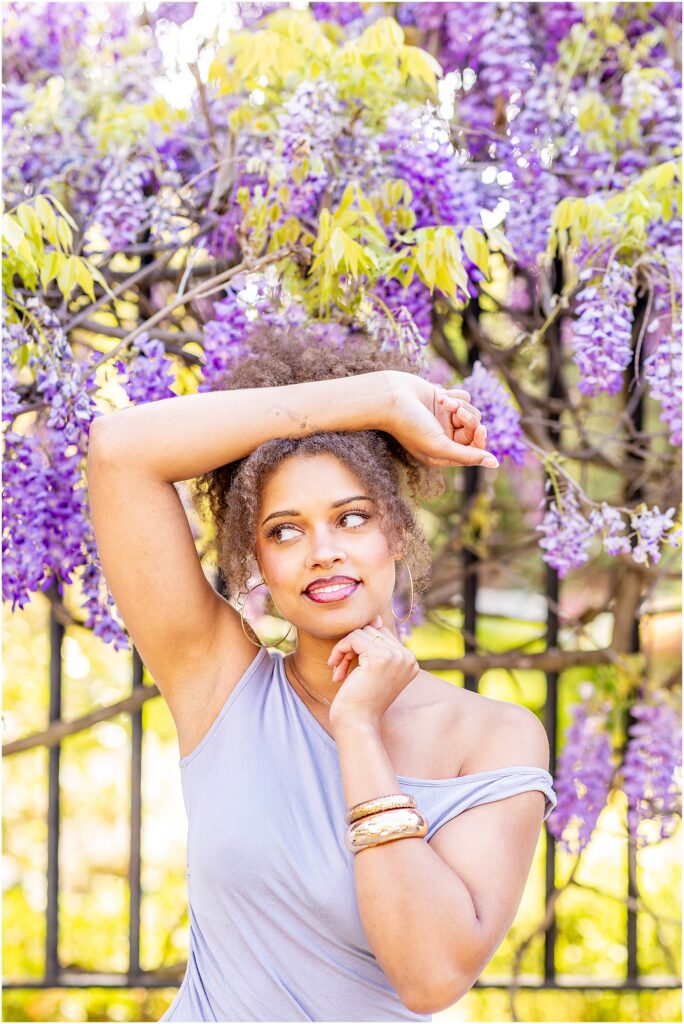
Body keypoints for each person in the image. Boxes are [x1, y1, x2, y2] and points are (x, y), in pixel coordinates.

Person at [86, 325, 556, 1022]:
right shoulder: (219, 686)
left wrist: (359, 729)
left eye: (352, 517)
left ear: (395, 530)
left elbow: (429, 977)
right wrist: (380, 400)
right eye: (284, 530)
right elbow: (120, 450)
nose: (322, 552)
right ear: (256, 561)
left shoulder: (491, 738)